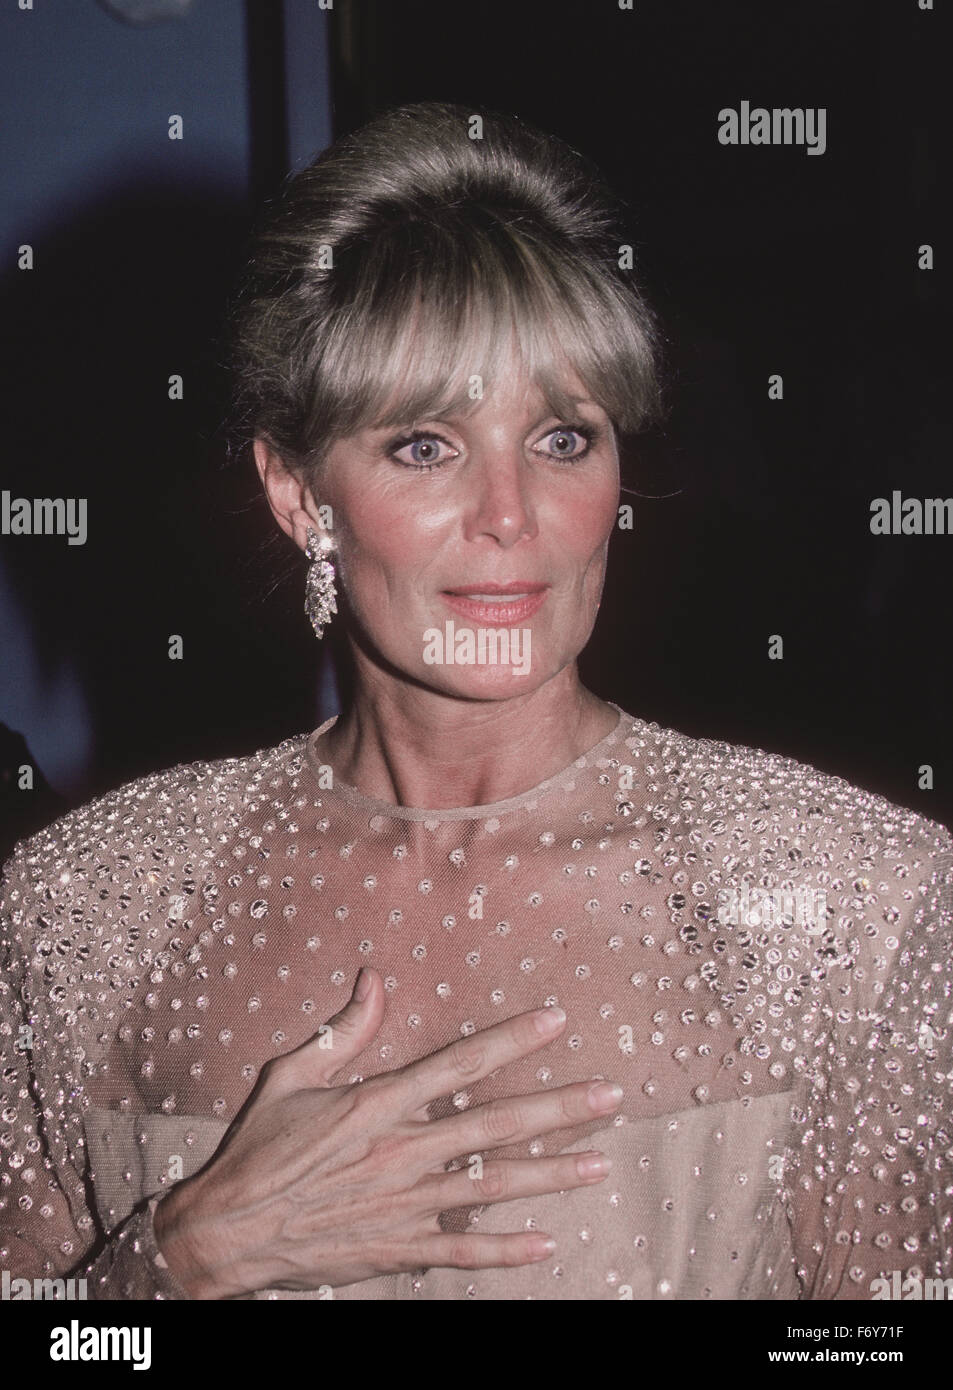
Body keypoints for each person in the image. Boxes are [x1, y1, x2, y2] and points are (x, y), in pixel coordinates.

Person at [1, 101, 950, 1303]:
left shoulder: (846, 901)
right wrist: (169, 1264)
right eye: (423, 445)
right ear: (299, 495)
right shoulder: (91, 905)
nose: (511, 516)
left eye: (561, 438)